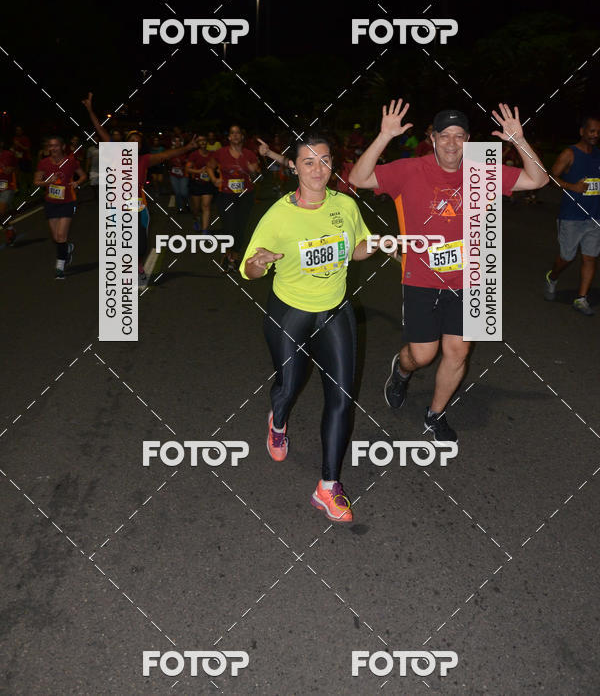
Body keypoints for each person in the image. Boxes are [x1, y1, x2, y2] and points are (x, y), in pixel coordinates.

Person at [349, 100, 549, 441]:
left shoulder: (483, 171)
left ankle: (435, 413)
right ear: (433, 138)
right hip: (421, 278)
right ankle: (402, 370)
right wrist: (384, 136)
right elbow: (358, 177)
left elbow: (538, 180)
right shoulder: (410, 169)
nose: (452, 143)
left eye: (459, 136)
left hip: (471, 279)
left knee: (459, 351)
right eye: (444, 135)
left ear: (468, 140)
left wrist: (519, 140)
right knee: (422, 355)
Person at [241, 135, 374, 522]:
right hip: (290, 313)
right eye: (309, 162)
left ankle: (328, 487)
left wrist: (377, 245)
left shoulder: (345, 205)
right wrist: (259, 263)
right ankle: (278, 421)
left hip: (334, 311)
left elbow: (357, 247)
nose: (318, 169)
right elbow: (249, 269)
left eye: (325, 160)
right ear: (294, 167)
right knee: (289, 386)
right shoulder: (278, 215)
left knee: (342, 397)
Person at [82, 94, 198, 283]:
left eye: (138, 141)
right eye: (131, 140)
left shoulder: (145, 160)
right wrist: (90, 110)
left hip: (137, 205)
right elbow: (101, 131)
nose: (134, 143)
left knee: (141, 243)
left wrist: (188, 147)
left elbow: (168, 154)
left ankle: (138, 265)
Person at [544, 116, 600, 315]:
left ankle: (581, 298)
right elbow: (550, 177)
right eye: (592, 131)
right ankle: (552, 276)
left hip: (594, 217)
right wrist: (572, 186)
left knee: (590, 258)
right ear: (582, 131)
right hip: (571, 217)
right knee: (567, 257)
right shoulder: (570, 153)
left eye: (598, 132)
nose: (595, 135)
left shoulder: (598, 155)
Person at [34, 136, 87, 279]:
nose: (53, 148)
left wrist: (77, 183)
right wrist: (47, 182)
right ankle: (67, 248)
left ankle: (60, 266)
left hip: (67, 202)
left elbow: (83, 176)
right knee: (56, 237)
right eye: (50, 146)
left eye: (56, 145)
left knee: (61, 235)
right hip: (51, 203)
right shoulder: (44, 163)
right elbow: (36, 181)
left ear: (63, 147)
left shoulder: (71, 161)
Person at [214, 125, 260, 271]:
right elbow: (209, 166)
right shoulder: (221, 152)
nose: (235, 135)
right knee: (228, 226)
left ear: (242, 136)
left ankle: (235, 257)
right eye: (232, 133)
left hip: (245, 195)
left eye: (238, 133)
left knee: (240, 227)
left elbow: (255, 175)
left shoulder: (249, 154)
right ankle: (227, 254)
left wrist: (252, 171)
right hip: (226, 195)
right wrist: (214, 179)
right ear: (229, 137)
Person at [186, 135, 218, 232]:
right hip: (196, 184)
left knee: (206, 206)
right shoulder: (194, 155)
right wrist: (199, 171)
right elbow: (187, 169)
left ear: (207, 141)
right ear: (197, 143)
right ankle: (196, 219)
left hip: (208, 184)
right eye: (200, 141)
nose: (202, 142)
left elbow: (217, 166)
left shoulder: (212, 154)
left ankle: (205, 230)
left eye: (204, 140)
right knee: (196, 208)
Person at [0, 139, 18, 246]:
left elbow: (9, 170)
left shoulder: (8, 155)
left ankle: (9, 231)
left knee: (1, 212)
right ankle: (10, 228)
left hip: (6, 187)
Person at [168, 134, 189, 212]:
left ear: (181, 142)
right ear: (173, 142)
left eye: (179, 141)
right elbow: (166, 162)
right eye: (175, 141)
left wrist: (183, 165)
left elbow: (189, 162)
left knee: (184, 192)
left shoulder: (185, 151)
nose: (177, 142)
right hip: (173, 175)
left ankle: (187, 204)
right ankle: (180, 208)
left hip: (183, 174)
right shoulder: (170, 151)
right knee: (177, 192)